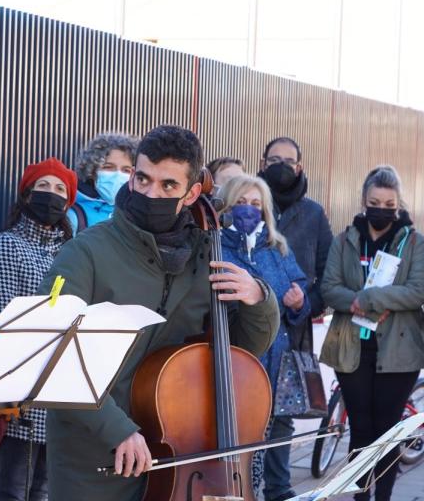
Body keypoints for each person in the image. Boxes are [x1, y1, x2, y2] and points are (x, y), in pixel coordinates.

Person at [42, 125, 279, 501]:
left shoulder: (206, 256)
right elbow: (54, 356)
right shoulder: (85, 253)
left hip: (182, 457)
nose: (151, 193)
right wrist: (117, 429)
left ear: (192, 193)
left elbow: (238, 354)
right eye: (143, 179)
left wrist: (259, 299)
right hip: (95, 460)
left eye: (168, 185)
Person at [320, 165, 424, 501]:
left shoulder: (415, 242)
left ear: (398, 204)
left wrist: (368, 299)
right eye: (375, 201)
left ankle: (384, 497)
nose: (382, 208)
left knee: (389, 431)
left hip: (399, 352)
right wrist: (354, 302)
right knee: (361, 429)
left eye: (389, 203)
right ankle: (360, 496)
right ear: (364, 201)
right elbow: (329, 288)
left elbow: (417, 290)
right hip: (351, 348)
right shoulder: (345, 239)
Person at [0, 157, 77, 500]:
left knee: (45, 492)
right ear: (26, 194)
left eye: (60, 189)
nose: (51, 195)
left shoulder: (72, 253)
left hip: (62, 392)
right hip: (20, 391)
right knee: (14, 489)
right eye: (43, 186)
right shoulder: (7, 245)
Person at [217, 174, 310, 500]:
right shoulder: (216, 245)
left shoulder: (277, 247)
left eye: (256, 204)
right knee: (242, 451)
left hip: (277, 367)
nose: (248, 210)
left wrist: (299, 302)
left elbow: (300, 292)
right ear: (226, 204)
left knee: (274, 441)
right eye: (241, 202)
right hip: (239, 367)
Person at [256, 136, 333, 500]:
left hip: (292, 330)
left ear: (300, 167)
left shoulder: (314, 214)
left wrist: (304, 305)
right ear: (262, 161)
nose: (281, 166)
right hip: (250, 329)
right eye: (274, 159)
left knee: (282, 415)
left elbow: (327, 275)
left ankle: (279, 488)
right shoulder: (248, 204)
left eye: (288, 160)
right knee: (245, 408)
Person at [68, 133, 138, 234]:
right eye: (108, 167)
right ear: (91, 171)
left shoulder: (137, 213)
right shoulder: (74, 215)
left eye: (126, 170)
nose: (117, 175)